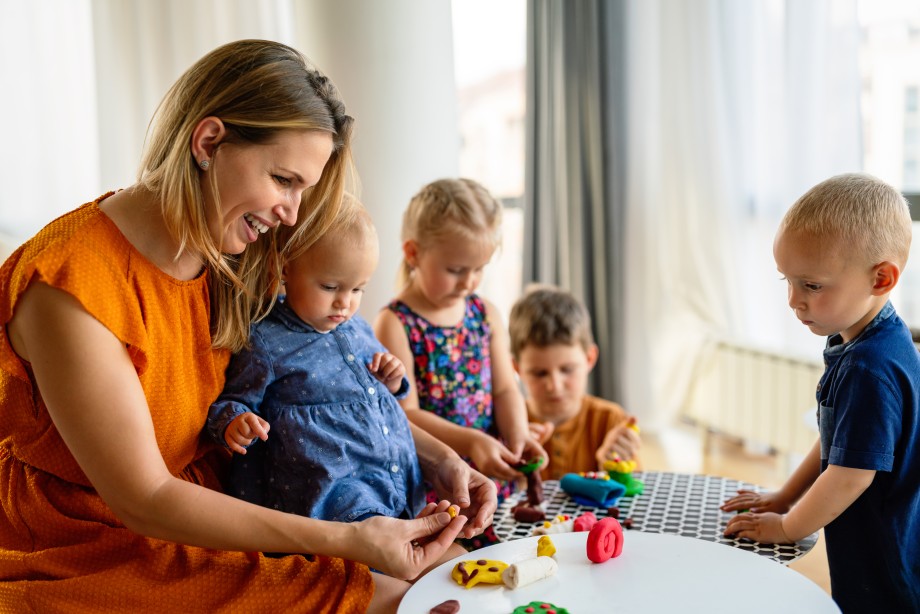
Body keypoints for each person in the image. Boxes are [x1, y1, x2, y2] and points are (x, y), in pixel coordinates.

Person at [0, 40, 495, 613]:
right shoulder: (70, 286)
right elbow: (144, 498)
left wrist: (442, 459)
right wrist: (347, 543)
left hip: (222, 503)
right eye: (284, 179)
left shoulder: (234, 255)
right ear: (209, 142)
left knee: (435, 586)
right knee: (392, 600)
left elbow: (327, 398)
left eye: (304, 189)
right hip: (90, 543)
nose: (292, 212)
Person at [722, 173, 920, 612]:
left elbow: (849, 475)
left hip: (884, 566)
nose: (794, 300)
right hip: (873, 547)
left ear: (882, 278)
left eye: (811, 285)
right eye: (786, 281)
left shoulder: (871, 367)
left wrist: (788, 527)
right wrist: (784, 495)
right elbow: (840, 444)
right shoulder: (861, 338)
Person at [374, 178, 546, 548]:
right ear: (413, 253)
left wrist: (517, 434)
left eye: (479, 268)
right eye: (455, 269)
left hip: (490, 466)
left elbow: (504, 389)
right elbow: (406, 414)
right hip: (436, 480)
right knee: (455, 560)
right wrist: (472, 441)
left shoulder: (485, 313)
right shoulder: (395, 322)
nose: (469, 282)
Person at [508, 284, 641, 481]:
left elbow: (636, 498)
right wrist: (514, 467)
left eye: (567, 370)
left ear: (589, 358)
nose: (554, 386)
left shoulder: (610, 421)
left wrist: (613, 468)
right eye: (539, 373)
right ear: (516, 368)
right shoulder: (507, 425)